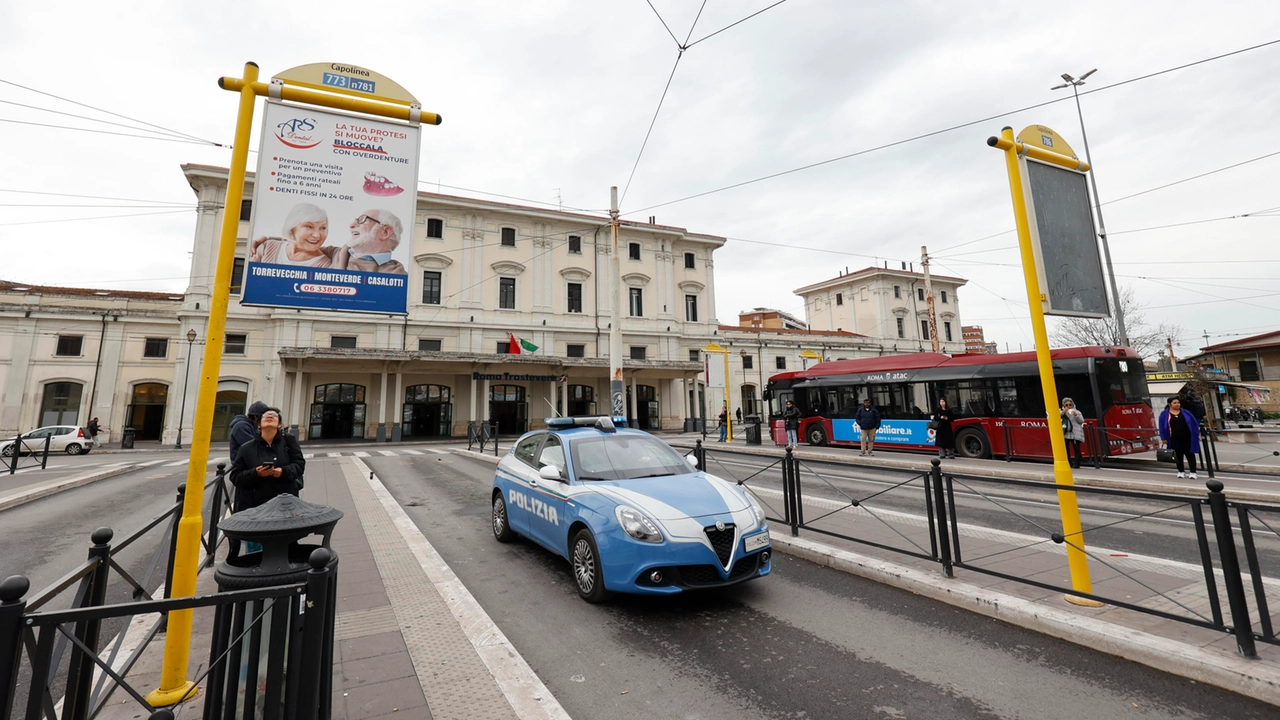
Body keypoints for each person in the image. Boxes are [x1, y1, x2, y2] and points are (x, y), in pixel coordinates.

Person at [249, 203, 333, 267]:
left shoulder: (325, 265)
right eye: (309, 226)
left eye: (323, 228)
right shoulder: (267, 247)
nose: (317, 235)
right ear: (292, 227)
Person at [325, 210, 408, 274]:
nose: (351, 225)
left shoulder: (399, 278)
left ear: (385, 232)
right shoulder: (329, 254)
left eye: (362, 219)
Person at [1159, 397, 1201, 479]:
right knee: (1178, 455)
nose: (1177, 404)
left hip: (1187, 437)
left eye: (1178, 402)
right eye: (1174, 403)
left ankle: (1193, 472)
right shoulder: (1164, 414)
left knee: (1190, 454)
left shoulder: (1186, 413)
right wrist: (1163, 438)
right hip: (1173, 438)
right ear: (1169, 404)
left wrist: (1196, 433)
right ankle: (1181, 471)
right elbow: (1162, 427)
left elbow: (1194, 423)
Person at [229, 400, 269, 465]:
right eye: (263, 417)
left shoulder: (252, 425)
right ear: (256, 417)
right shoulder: (241, 426)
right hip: (243, 464)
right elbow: (253, 445)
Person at [1061, 398, 1085, 468]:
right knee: (1066, 449)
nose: (1068, 406)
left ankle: (1077, 463)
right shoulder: (1062, 412)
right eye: (1066, 405)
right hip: (1066, 433)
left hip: (1075, 433)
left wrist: (1076, 415)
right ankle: (1068, 463)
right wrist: (1063, 412)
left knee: (1077, 449)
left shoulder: (1077, 412)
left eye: (1070, 404)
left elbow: (1081, 421)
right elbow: (1055, 417)